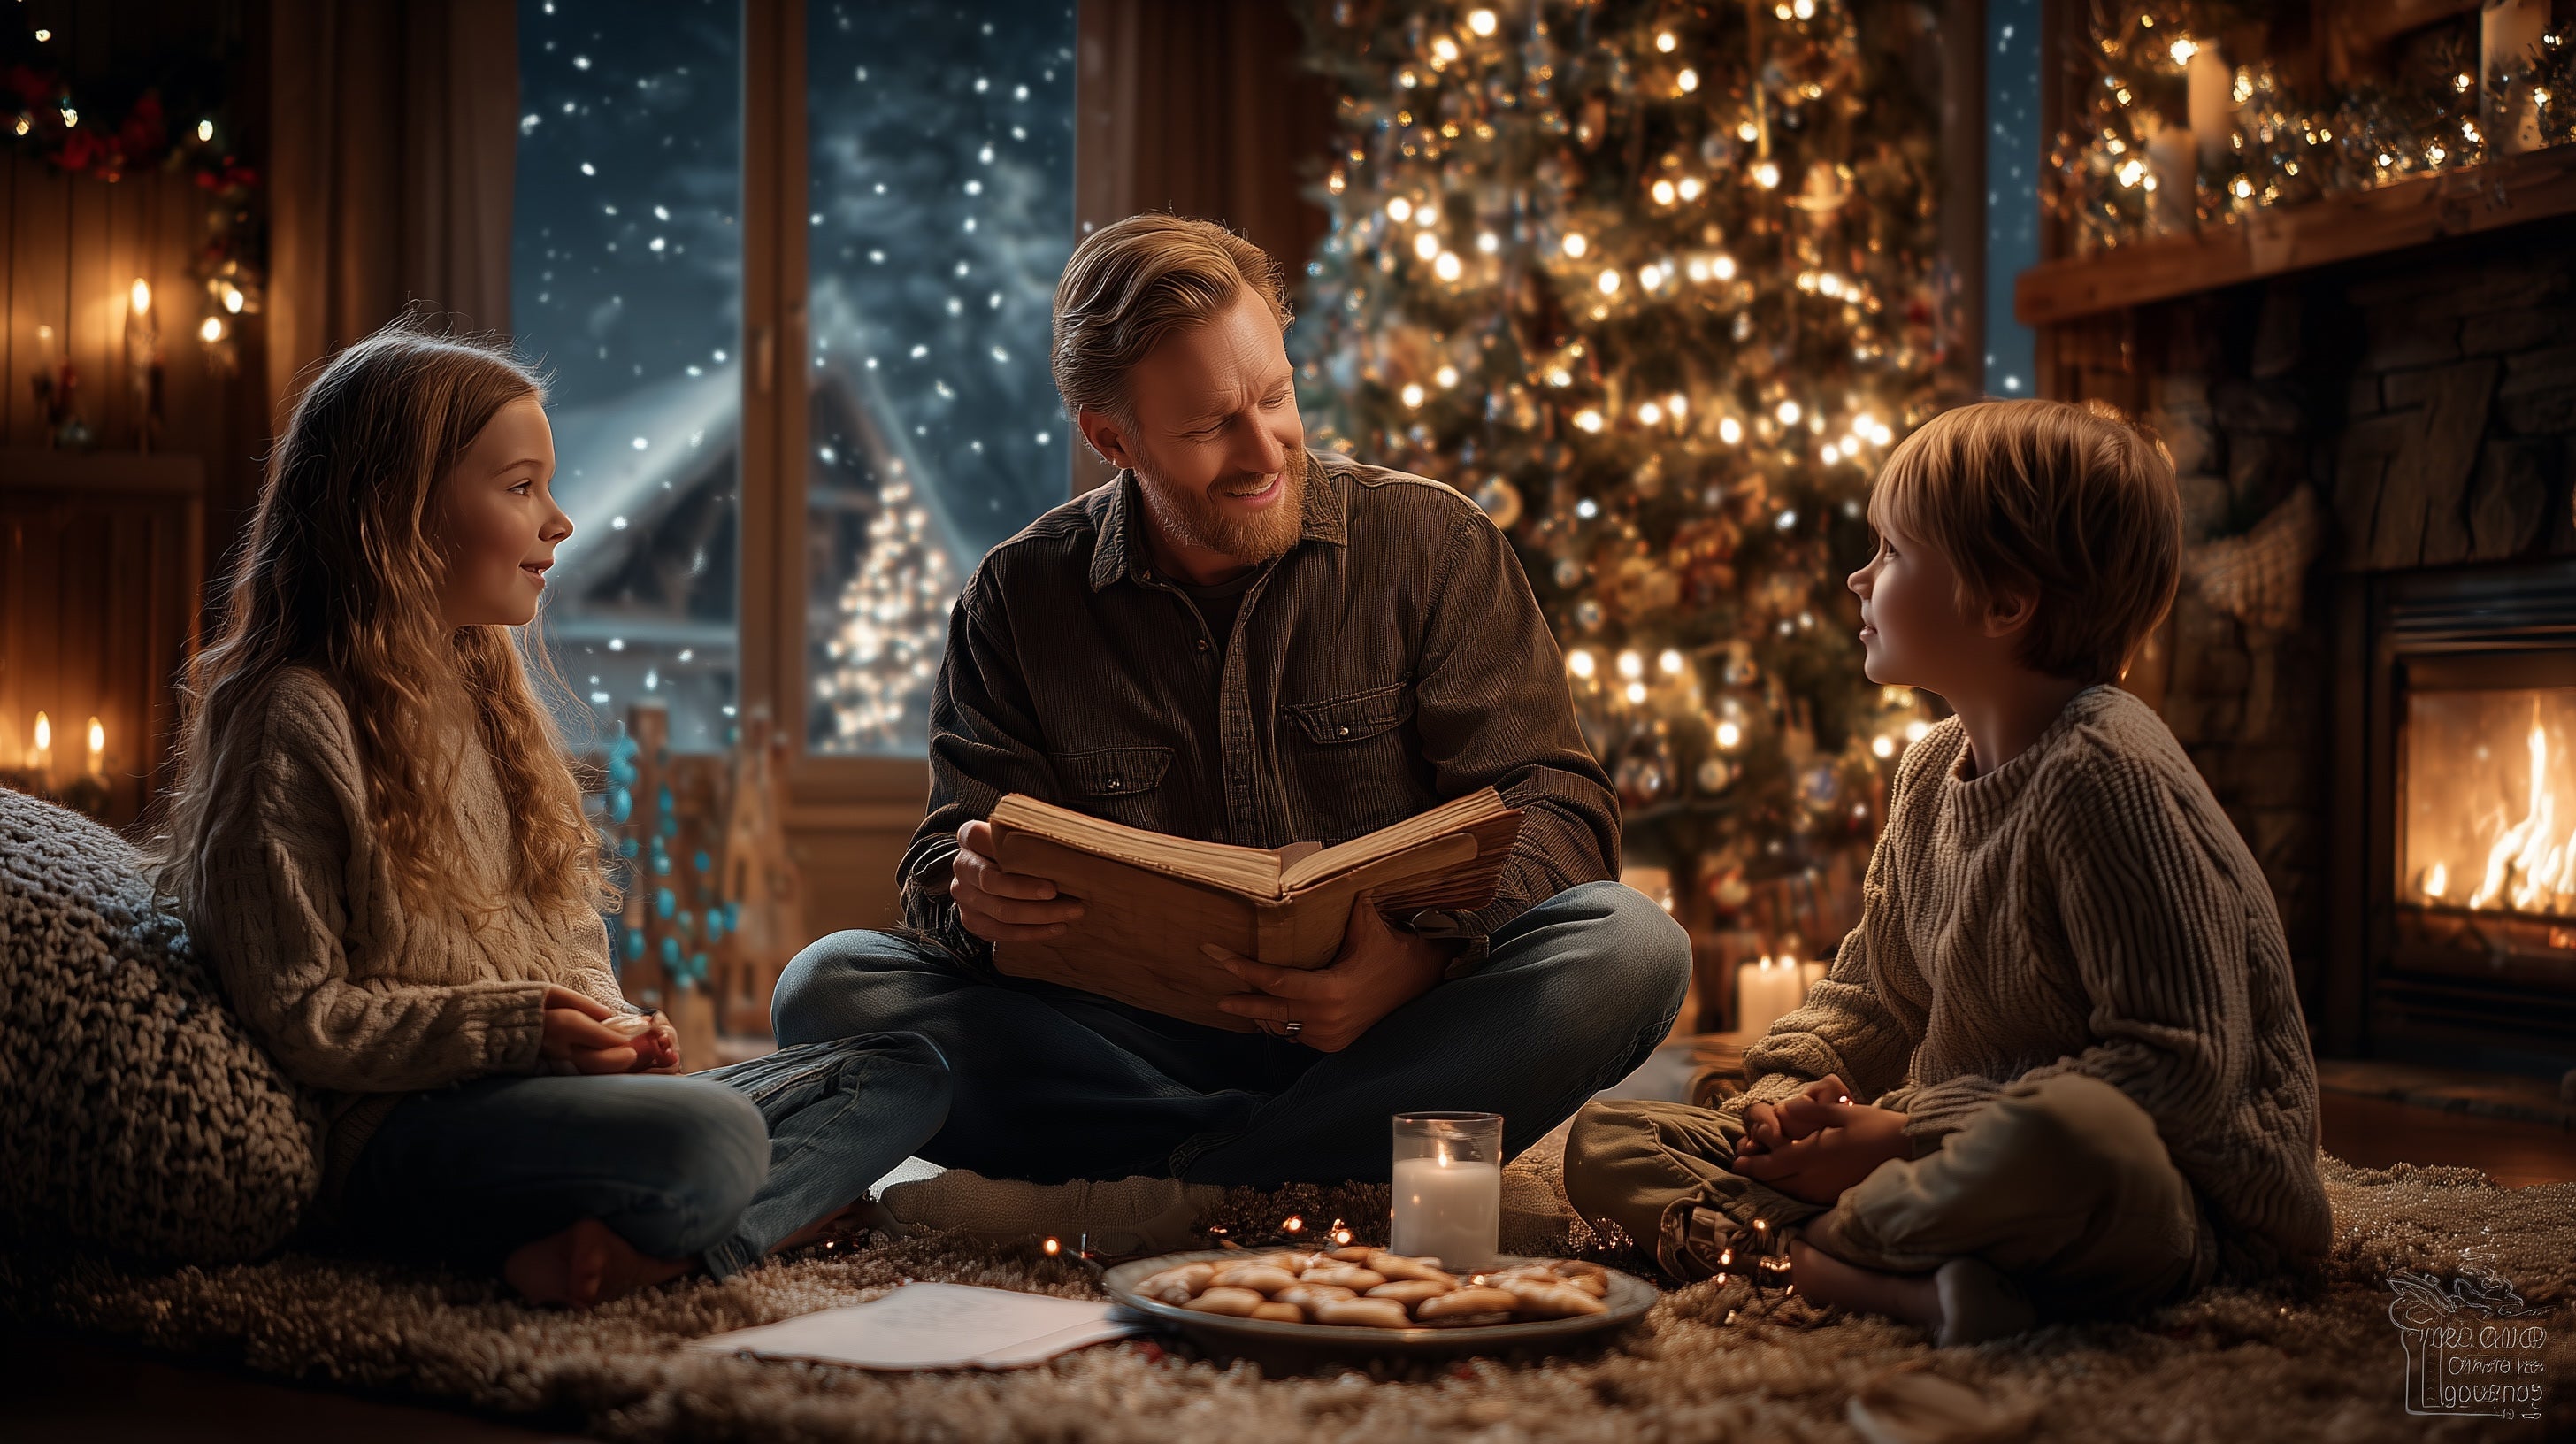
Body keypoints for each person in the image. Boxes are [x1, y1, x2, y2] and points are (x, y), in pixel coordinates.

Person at [771, 215, 1690, 1248]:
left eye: (1275, 395)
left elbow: (1558, 808)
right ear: (1110, 438)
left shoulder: (1433, 545)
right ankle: (1297, 1171)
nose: (1265, 450)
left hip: (1396, 1031)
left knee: (1632, 946)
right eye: (1211, 426)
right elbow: (946, 862)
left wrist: (1416, 962)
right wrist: (970, 897)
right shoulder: (1017, 599)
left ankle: (1160, 1190)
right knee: (832, 986)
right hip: (1126, 1052)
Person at [156, 319, 951, 1306]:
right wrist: (520, 1030)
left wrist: (617, 1036)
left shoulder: (494, 702)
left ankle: (653, 1247)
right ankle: (722, 1222)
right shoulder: (296, 720)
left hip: (547, 1095)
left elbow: (569, 942)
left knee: (907, 1065)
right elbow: (302, 1016)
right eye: (521, 486)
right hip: (402, 1134)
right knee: (715, 1139)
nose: (559, 520)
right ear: (394, 511)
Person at [1563, 399, 2333, 1344]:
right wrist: (1776, 1114)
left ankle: (1803, 1258)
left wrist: (1901, 1139)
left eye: (1889, 551)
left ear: (2003, 602)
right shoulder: (1931, 770)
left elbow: (2176, 1072)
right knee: (1609, 1141)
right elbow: (1870, 1002)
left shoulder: (2108, 777)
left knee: (2071, 1138)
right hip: (1934, 1162)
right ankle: (1898, 1277)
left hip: (2175, 1201)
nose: (1856, 577)